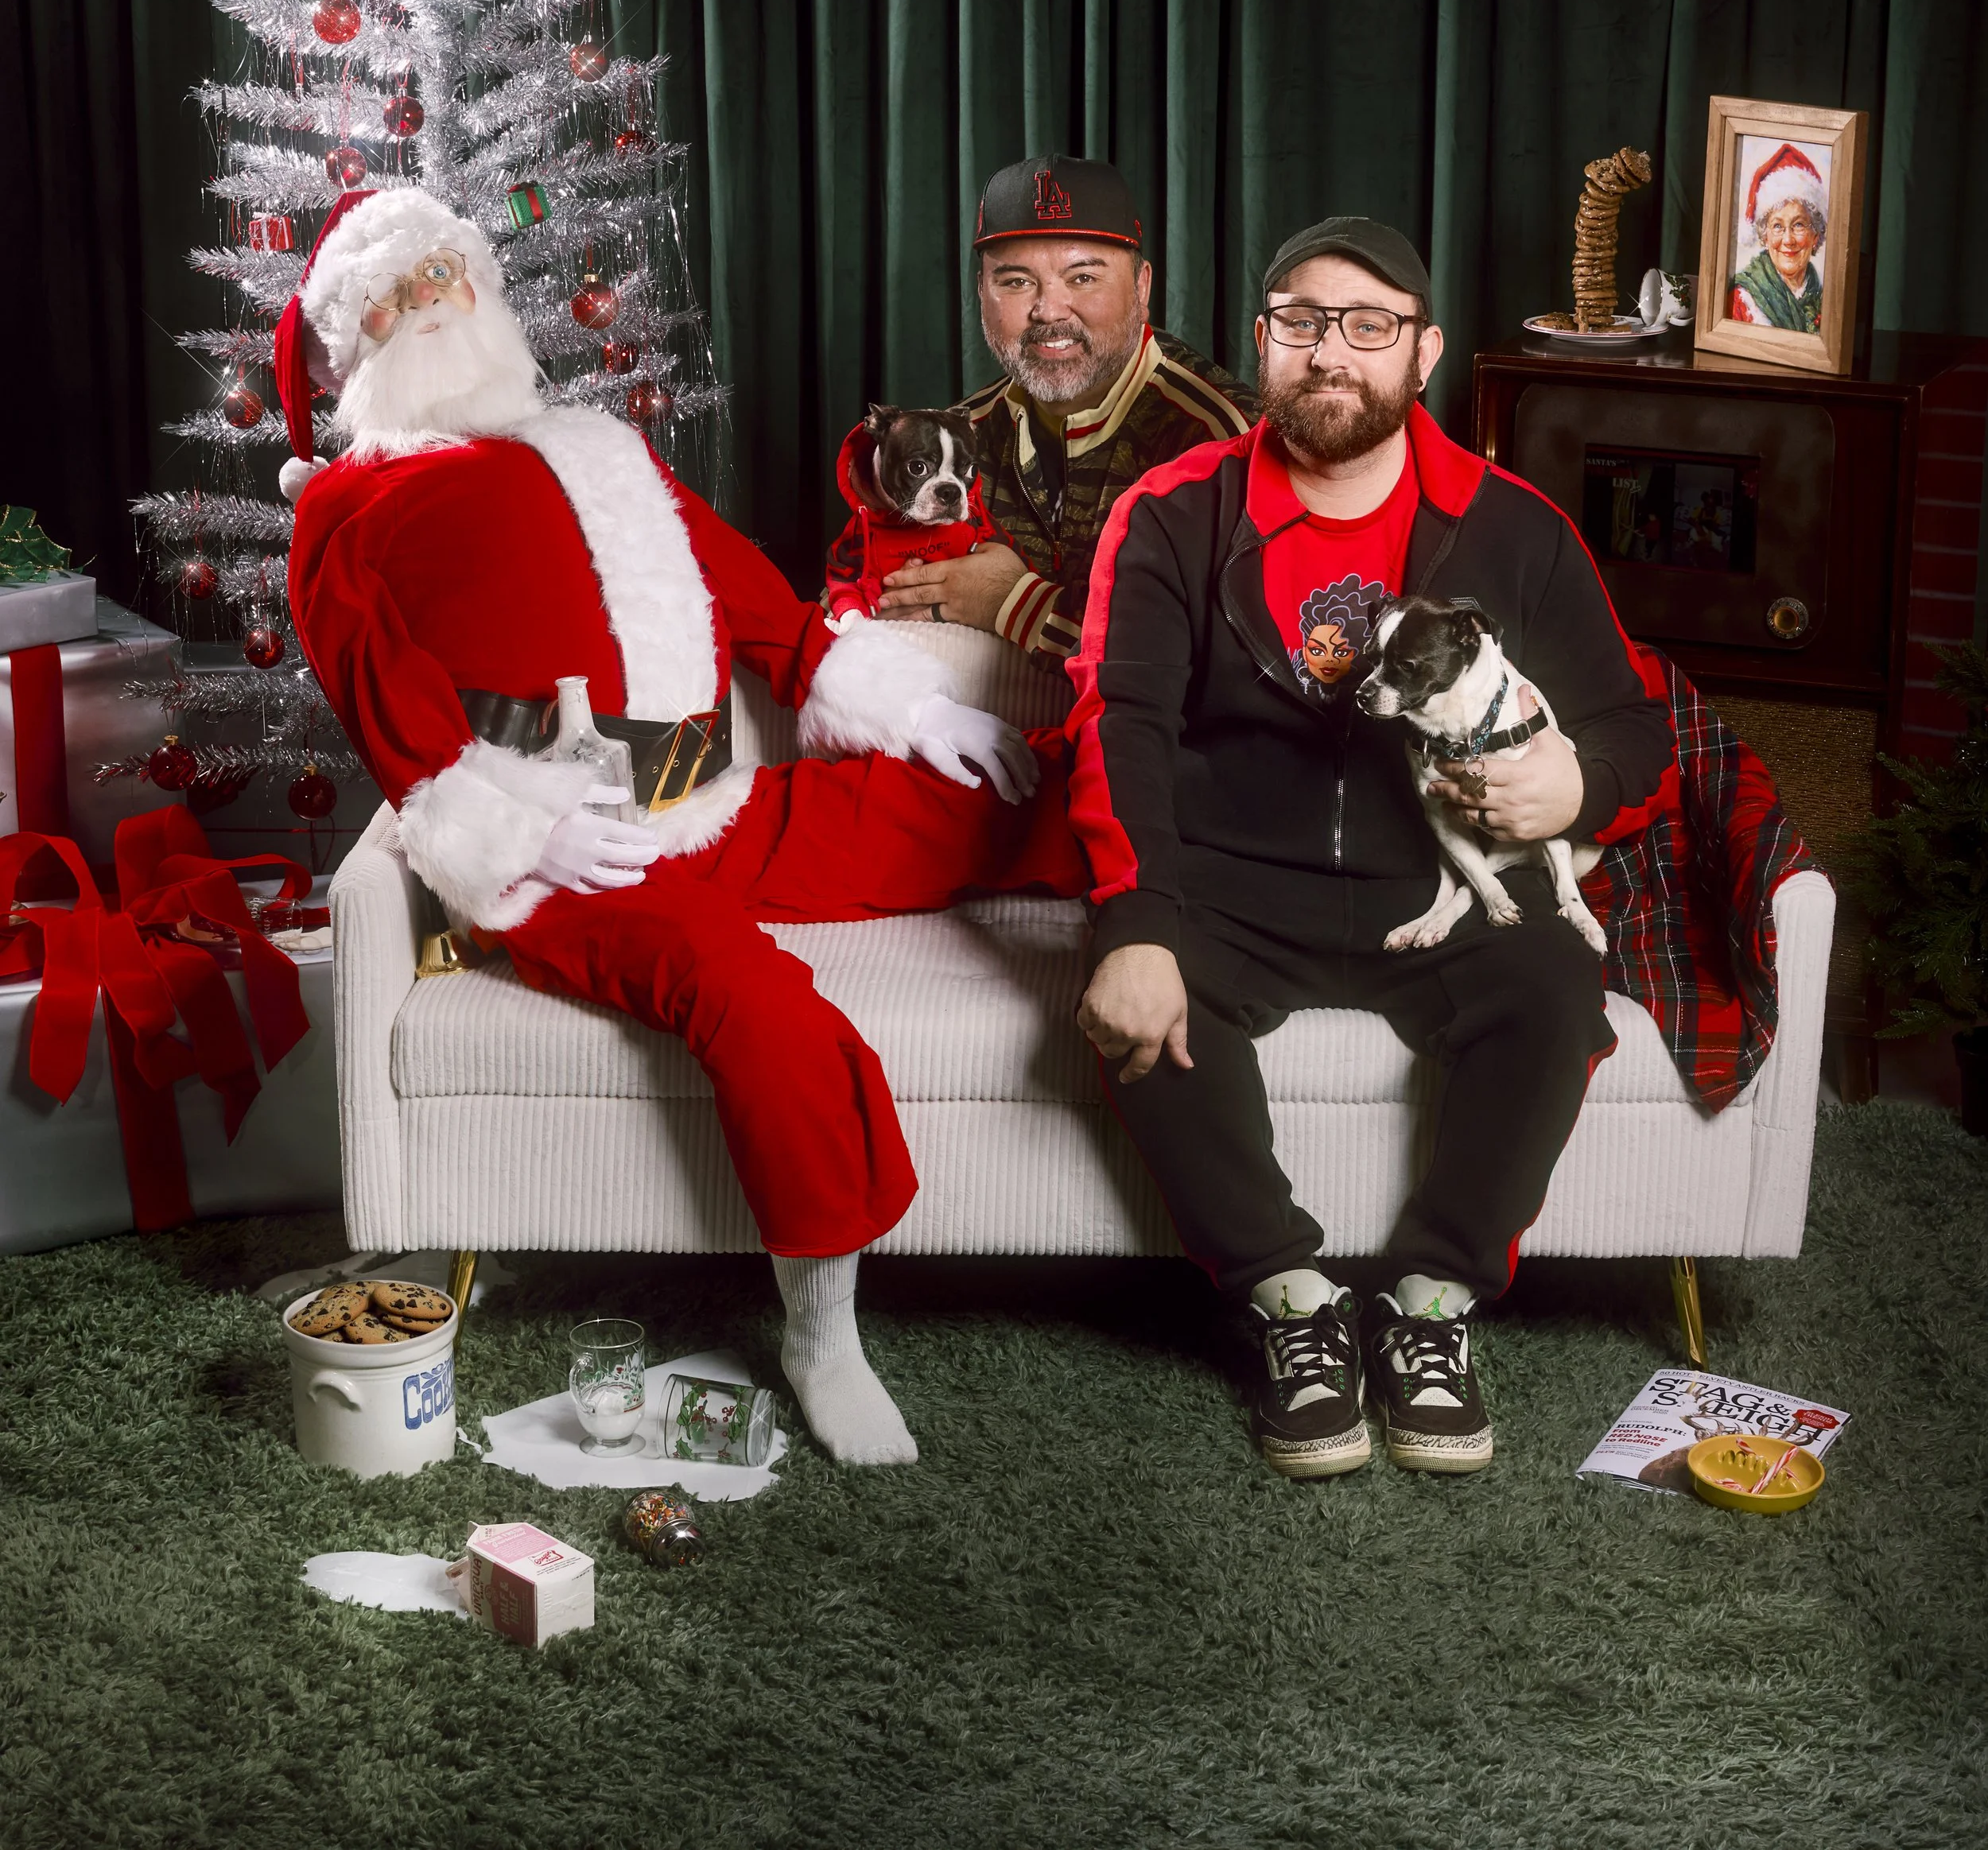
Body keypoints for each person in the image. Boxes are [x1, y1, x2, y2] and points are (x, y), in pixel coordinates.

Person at [279, 189, 1087, 1467]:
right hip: (572, 857)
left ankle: (1253, 882)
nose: (429, 299)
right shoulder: (345, 507)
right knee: (761, 1004)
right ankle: (825, 1331)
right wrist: (512, 834)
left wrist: (896, 699)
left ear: (484, 291)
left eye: (446, 273)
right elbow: (391, 710)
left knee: (1016, 787)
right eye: (393, 294)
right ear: (348, 345)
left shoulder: (598, 443)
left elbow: (743, 587)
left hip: (717, 805)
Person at [1066, 217, 1675, 1480]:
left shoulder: (1513, 525)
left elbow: (1629, 728)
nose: (1330, 352)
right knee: (1133, 999)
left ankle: (1435, 1307)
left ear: (1425, 351)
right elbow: (1114, 721)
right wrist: (1136, 920)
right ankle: (1293, 1302)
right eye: (1300, 321)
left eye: (1368, 325)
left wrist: (1580, 785)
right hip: (1234, 890)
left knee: (1559, 986)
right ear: (1262, 342)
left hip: (1438, 891)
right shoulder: (1174, 513)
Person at [874, 154, 1254, 663]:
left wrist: (1014, 603)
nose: (1049, 311)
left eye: (1082, 278)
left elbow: (1234, 668)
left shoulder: (1227, 439)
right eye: (1015, 282)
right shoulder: (952, 435)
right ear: (981, 294)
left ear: (1142, 288)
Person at [1728, 144, 1827, 333]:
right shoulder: (1741, 299)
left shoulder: (1827, 297)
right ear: (1765, 237)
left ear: (1816, 235)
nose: (1788, 240)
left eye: (1799, 225)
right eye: (1778, 226)